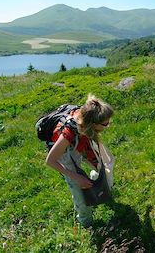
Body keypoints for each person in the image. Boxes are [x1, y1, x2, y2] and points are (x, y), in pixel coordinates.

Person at [46, 94, 114, 227]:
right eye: (105, 124)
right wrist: (76, 177)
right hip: (65, 154)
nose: (108, 126)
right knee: (79, 192)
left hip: (80, 142)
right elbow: (50, 161)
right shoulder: (68, 134)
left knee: (104, 165)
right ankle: (85, 221)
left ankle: (96, 181)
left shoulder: (87, 121)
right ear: (93, 124)